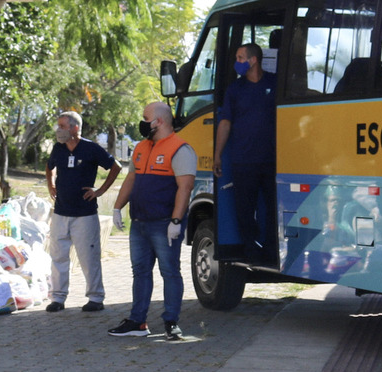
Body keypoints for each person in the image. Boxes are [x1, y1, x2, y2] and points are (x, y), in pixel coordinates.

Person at [108, 101, 196, 340]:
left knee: (170, 272)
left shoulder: (180, 149)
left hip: (164, 223)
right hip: (139, 222)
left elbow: (185, 188)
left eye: (146, 118)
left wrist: (176, 222)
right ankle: (138, 322)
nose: (143, 122)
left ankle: (171, 322)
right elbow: (131, 180)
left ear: (159, 121)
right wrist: (118, 208)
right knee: (140, 272)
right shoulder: (141, 147)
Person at [44, 110, 120, 313]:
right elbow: (49, 166)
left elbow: (116, 167)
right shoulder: (58, 148)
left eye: (62, 126)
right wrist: (51, 184)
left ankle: (95, 298)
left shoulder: (91, 149)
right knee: (58, 256)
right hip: (60, 212)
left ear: (74, 128)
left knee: (88, 257)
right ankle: (58, 299)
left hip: (85, 215)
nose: (58, 130)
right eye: (58, 126)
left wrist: (100, 191)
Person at [213, 40, 277, 263]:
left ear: (253, 60)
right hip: (243, 160)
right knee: (245, 209)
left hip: (273, 160)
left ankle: (271, 249)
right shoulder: (235, 89)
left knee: (272, 208)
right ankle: (251, 250)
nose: (237, 63)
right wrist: (217, 154)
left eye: (240, 58)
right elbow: (225, 123)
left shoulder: (274, 83)